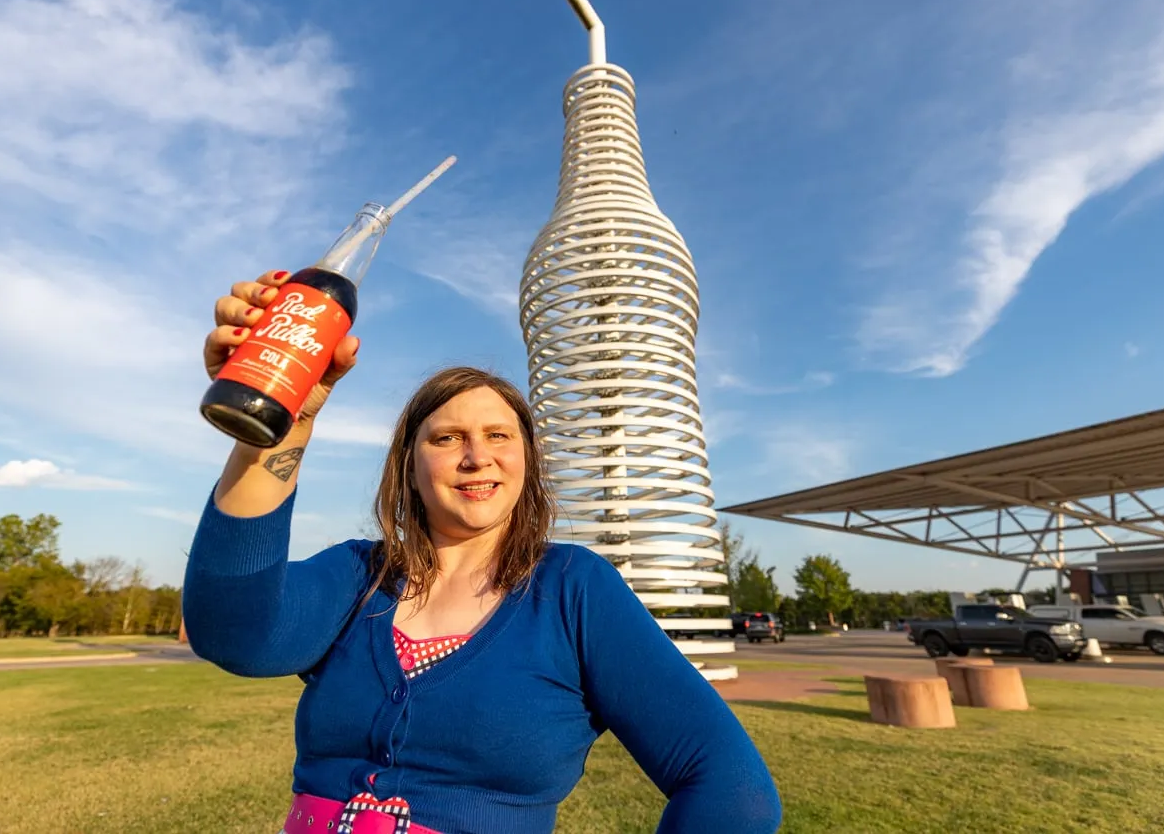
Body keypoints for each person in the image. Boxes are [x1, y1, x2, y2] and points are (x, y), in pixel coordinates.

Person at [184, 269, 782, 834]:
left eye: (499, 436)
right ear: (410, 466)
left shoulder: (574, 589)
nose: (477, 456)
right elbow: (237, 636)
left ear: (527, 462)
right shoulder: (357, 576)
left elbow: (733, 788)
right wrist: (277, 428)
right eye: (447, 438)